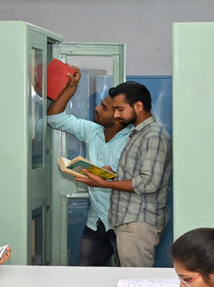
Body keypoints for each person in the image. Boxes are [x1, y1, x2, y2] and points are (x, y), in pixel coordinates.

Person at [72, 81, 171, 267]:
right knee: (126, 281)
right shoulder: (138, 133)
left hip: (138, 223)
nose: (116, 115)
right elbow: (138, 175)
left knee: (135, 285)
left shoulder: (154, 135)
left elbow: (148, 183)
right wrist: (113, 175)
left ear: (139, 106)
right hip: (127, 221)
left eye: (120, 109)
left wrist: (105, 184)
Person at [46, 67, 132, 266]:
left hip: (125, 223)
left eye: (103, 107)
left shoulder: (134, 139)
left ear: (119, 116)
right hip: (96, 222)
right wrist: (70, 88)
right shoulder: (92, 131)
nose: (97, 109)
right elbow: (54, 118)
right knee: (85, 275)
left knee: (128, 277)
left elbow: (144, 181)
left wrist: (115, 175)